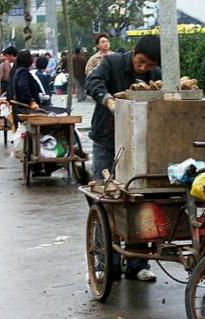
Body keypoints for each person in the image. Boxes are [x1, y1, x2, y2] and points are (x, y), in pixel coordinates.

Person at [86, 35, 162, 282]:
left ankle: (137, 264)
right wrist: (108, 100)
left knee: (138, 201)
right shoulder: (113, 63)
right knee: (105, 201)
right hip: (107, 142)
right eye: (141, 62)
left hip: (139, 146)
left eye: (148, 65)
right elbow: (93, 82)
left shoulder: (155, 75)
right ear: (134, 52)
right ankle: (105, 263)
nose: (143, 68)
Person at [11, 49, 40, 127]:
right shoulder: (22, 72)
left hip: (24, 108)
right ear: (27, 60)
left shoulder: (20, 70)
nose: (32, 59)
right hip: (26, 108)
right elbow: (23, 87)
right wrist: (32, 101)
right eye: (31, 57)